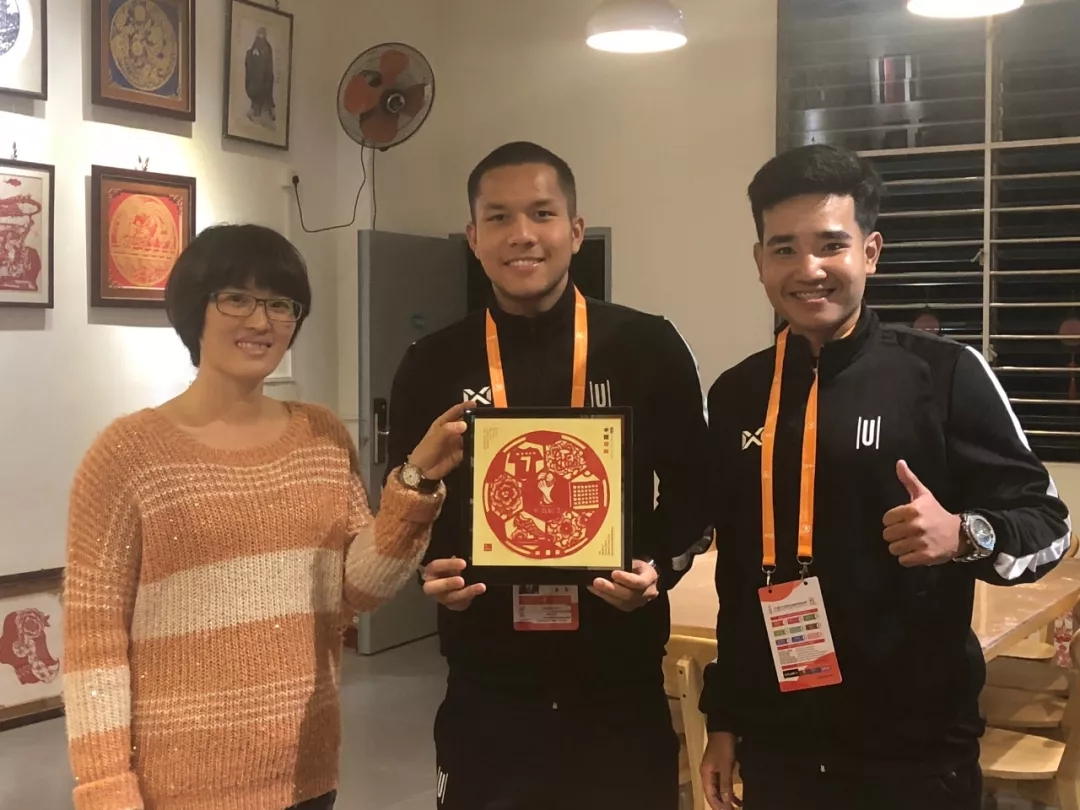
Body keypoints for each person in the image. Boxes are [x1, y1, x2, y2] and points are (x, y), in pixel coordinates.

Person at [698, 143, 1073, 810]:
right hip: (780, 747)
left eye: (831, 245)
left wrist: (964, 534)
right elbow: (738, 573)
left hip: (914, 754)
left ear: (870, 252)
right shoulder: (736, 394)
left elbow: (1049, 527)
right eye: (784, 249)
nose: (808, 269)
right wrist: (725, 718)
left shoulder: (943, 374)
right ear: (759, 261)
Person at [62, 224, 469, 810]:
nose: (261, 321)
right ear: (194, 309)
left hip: (307, 774)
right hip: (177, 789)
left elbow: (358, 588)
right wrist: (105, 789)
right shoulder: (126, 455)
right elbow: (93, 639)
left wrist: (416, 482)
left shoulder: (321, 436)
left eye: (281, 304)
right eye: (237, 298)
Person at [385, 141, 712, 810]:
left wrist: (656, 567)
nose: (522, 234)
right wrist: (428, 569)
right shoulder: (432, 361)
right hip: (487, 687)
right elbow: (405, 495)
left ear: (576, 230)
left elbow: (696, 490)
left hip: (618, 682)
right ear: (474, 238)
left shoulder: (646, 345)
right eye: (499, 217)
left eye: (542, 213)